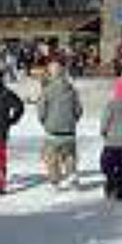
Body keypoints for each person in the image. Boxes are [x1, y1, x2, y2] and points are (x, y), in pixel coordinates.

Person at [37, 61, 83, 190]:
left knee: (51, 157)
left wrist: (45, 122)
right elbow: (79, 110)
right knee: (69, 154)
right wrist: (72, 120)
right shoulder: (72, 90)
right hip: (69, 130)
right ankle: (72, 175)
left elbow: (41, 110)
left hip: (52, 130)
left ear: (51, 74)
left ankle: (55, 181)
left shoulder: (47, 90)